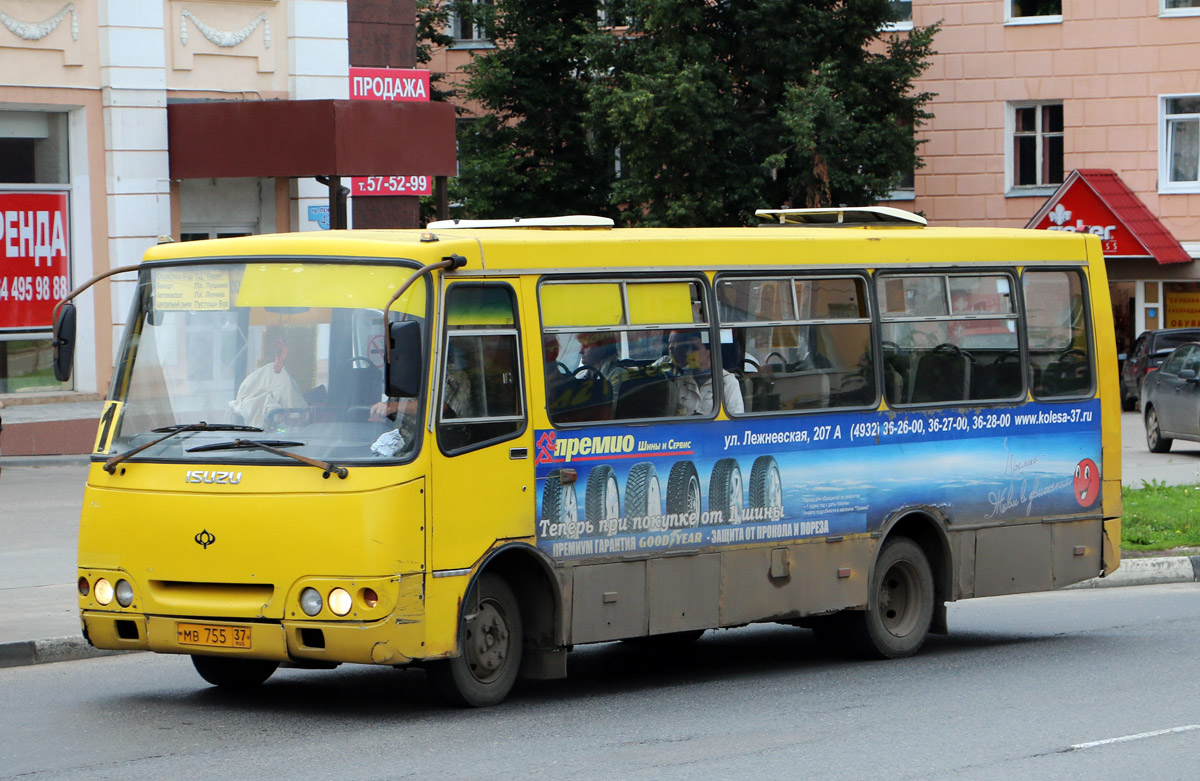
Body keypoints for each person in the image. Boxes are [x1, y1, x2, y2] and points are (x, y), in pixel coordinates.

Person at [666, 330, 744, 415]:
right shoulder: (681, 381)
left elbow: (735, 421)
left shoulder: (728, 382)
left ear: (709, 351)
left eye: (694, 348)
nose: (688, 353)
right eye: (688, 348)